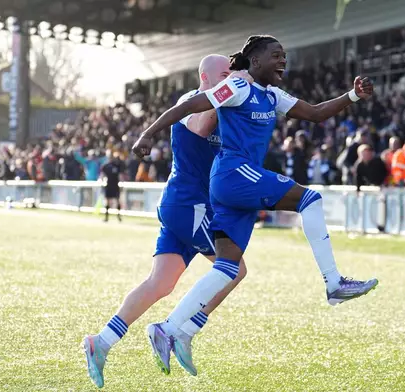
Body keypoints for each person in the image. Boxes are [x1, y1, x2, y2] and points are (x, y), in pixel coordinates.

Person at [132, 35, 378, 376]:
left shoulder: (272, 95)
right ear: (255, 61)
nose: (283, 61)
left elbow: (317, 114)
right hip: (234, 174)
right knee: (310, 199)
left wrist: (352, 96)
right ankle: (334, 283)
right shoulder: (235, 87)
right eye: (276, 55)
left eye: (285, 55)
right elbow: (190, 107)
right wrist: (147, 134)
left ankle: (172, 329)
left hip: (234, 186)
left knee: (228, 268)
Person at [82, 54, 252, 388]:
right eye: (224, 74)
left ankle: (100, 343)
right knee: (235, 268)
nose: (230, 79)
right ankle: (180, 331)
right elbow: (202, 127)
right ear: (204, 76)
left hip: (191, 206)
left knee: (160, 284)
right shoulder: (190, 101)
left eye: (232, 74)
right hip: (188, 205)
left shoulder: (221, 106)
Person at [100, 151, 124, 222]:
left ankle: (119, 216)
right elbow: (102, 175)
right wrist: (101, 181)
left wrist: (121, 183)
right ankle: (106, 217)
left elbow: (120, 176)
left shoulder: (117, 166)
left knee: (117, 201)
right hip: (108, 186)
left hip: (115, 186)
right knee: (107, 201)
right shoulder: (105, 166)